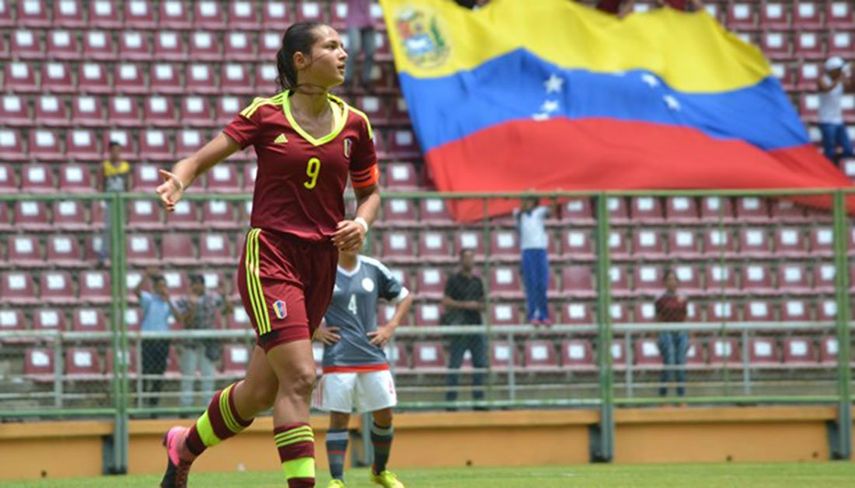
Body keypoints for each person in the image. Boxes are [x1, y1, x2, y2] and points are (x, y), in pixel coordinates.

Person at [155, 21, 381, 488]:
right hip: (271, 256)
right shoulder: (265, 114)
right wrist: (179, 179)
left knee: (260, 392)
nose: (344, 53)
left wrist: (361, 223)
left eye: (343, 45)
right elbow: (198, 159)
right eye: (331, 46)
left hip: (321, 263)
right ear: (301, 60)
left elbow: (371, 194)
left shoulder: (355, 123)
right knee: (300, 376)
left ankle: (184, 445)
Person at [312, 250, 413, 488]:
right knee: (339, 417)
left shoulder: (373, 268)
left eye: (356, 236)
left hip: (372, 354)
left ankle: (379, 471)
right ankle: (337, 479)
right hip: (338, 356)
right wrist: (315, 329)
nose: (352, 241)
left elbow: (405, 297)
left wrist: (390, 327)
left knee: (384, 415)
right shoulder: (323, 268)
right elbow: (302, 298)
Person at [173, 274, 233, 410]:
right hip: (190, 343)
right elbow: (183, 321)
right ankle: (186, 406)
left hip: (208, 343)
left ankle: (208, 406)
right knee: (188, 375)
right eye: (193, 284)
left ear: (203, 285)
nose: (196, 287)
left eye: (198, 284)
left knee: (208, 375)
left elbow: (228, 311)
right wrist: (192, 306)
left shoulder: (212, 298)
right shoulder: (184, 300)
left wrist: (225, 295)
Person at [441, 249, 487, 409]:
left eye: (472, 258)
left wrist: (479, 306)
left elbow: (484, 303)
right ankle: (451, 401)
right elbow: (445, 301)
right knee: (455, 365)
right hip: (459, 327)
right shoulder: (453, 280)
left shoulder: (477, 281)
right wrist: (465, 305)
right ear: (461, 260)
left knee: (480, 364)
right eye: (466, 258)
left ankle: (479, 400)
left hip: (476, 326)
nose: (470, 261)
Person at [134, 270, 181, 408]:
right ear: (154, 287)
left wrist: (169, 301)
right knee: (145, 372)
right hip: (148, 340)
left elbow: (179, 318)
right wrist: (146, 276)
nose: (162, 289)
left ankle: (153, 405)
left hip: (162, 341)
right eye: (159, 286)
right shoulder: (149, 299)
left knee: (158, 374)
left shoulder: (169, 302)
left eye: (164, 286)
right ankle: (140, 403)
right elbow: (136, 291)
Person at [514, 197, 554, 326]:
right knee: (531, 284)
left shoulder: (539, 212)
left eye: (530, 201)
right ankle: (532, 315)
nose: (527, 203)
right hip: (527, 251)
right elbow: (519, 215)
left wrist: (553, 198)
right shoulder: (518, 213)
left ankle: (544, 314)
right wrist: (523, 207)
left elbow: (550, 212)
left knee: (542, 284)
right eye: (526, 200)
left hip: (540, 250)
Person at [655, 269, 689, 399]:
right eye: (669, 279)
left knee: (680, 362)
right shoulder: (660, 299)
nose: (672, 282)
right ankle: (663, 394)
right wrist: (656, 336)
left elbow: (685, 316)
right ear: (665, 282)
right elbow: (657, 317)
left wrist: (689, 335)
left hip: (681, 332)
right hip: (666, 332)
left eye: (674, 279)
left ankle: (681, 396)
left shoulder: (683, 298)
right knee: (669, 360)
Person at [818, 56, 855, 165]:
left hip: (838, 121)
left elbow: (851, 89)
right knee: (829, 152)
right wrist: (839, 80)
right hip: (827, 121)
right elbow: (826, 89)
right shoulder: (822, 80)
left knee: (848, 150)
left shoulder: (840, 81)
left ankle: (836, 163)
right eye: (839, 70)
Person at [99, 140, 130, 266]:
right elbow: (101, 183)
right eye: (114, 150)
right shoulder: (105, 166)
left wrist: (128, 201)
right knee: (108, 228)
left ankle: (119, 255)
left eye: (118, 150)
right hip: (109, 200)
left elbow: (128, 184)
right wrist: (101, 200)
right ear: (110, 151)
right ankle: (104, 255)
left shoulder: (125, 166)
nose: (116, 153)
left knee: (120, 228)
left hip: (121, 200)